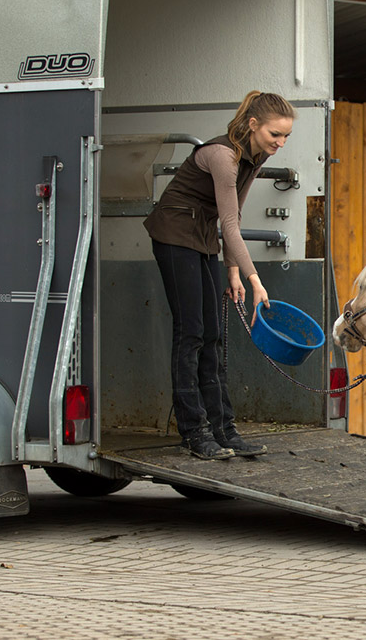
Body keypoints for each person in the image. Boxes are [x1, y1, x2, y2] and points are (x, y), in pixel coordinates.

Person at [143, 91, 295, 459]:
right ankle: (194, 432)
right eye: (275, 134)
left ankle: (225, 430)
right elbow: (229, 223)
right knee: (191, 332)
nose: (281, 143)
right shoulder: (223, 155)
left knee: (214, 335)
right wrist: (255, 279)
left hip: (204, 237)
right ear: (253, 124)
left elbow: (233, 218)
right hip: (175, 234)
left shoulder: (254, 156)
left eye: (286, 136)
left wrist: (232, 272)